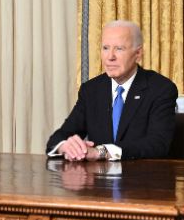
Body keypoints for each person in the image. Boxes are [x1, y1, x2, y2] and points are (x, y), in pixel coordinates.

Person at [46, 20, 177, 161]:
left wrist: (102, 152)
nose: (110, 57)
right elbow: (59, 136)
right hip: (99, 179)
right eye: (105, 48)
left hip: (141, 178)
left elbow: (158, 144)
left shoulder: (160, 89)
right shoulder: (91, 90)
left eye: (119, 49)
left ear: (138, 53)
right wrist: (66, 146)